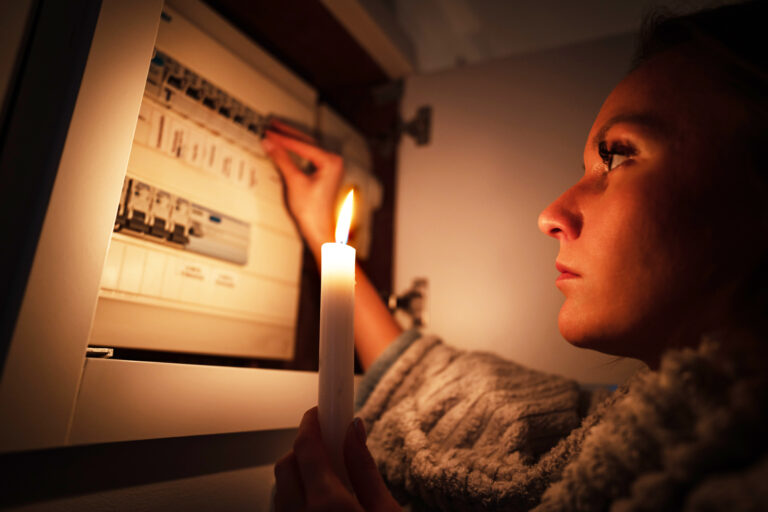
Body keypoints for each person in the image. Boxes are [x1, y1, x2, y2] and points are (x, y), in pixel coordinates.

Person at [265, 1, 768, 510]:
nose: (550, 214)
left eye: (615, 156)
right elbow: (450, 389)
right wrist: (320, 230)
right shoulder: (633, 427)